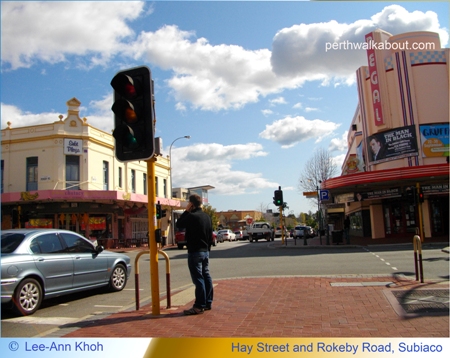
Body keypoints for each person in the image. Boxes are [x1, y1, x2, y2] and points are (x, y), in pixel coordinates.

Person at [176, 194, 213, 315]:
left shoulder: (191, 216)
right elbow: (210, 235)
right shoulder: (207, 217)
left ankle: (199, 305)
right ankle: (207, 302)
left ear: (191, 204)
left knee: (198, 278)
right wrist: (208, 249)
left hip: (194, 251)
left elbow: (179, 224)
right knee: (206, 275)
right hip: (205, 251)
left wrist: (186, 211)